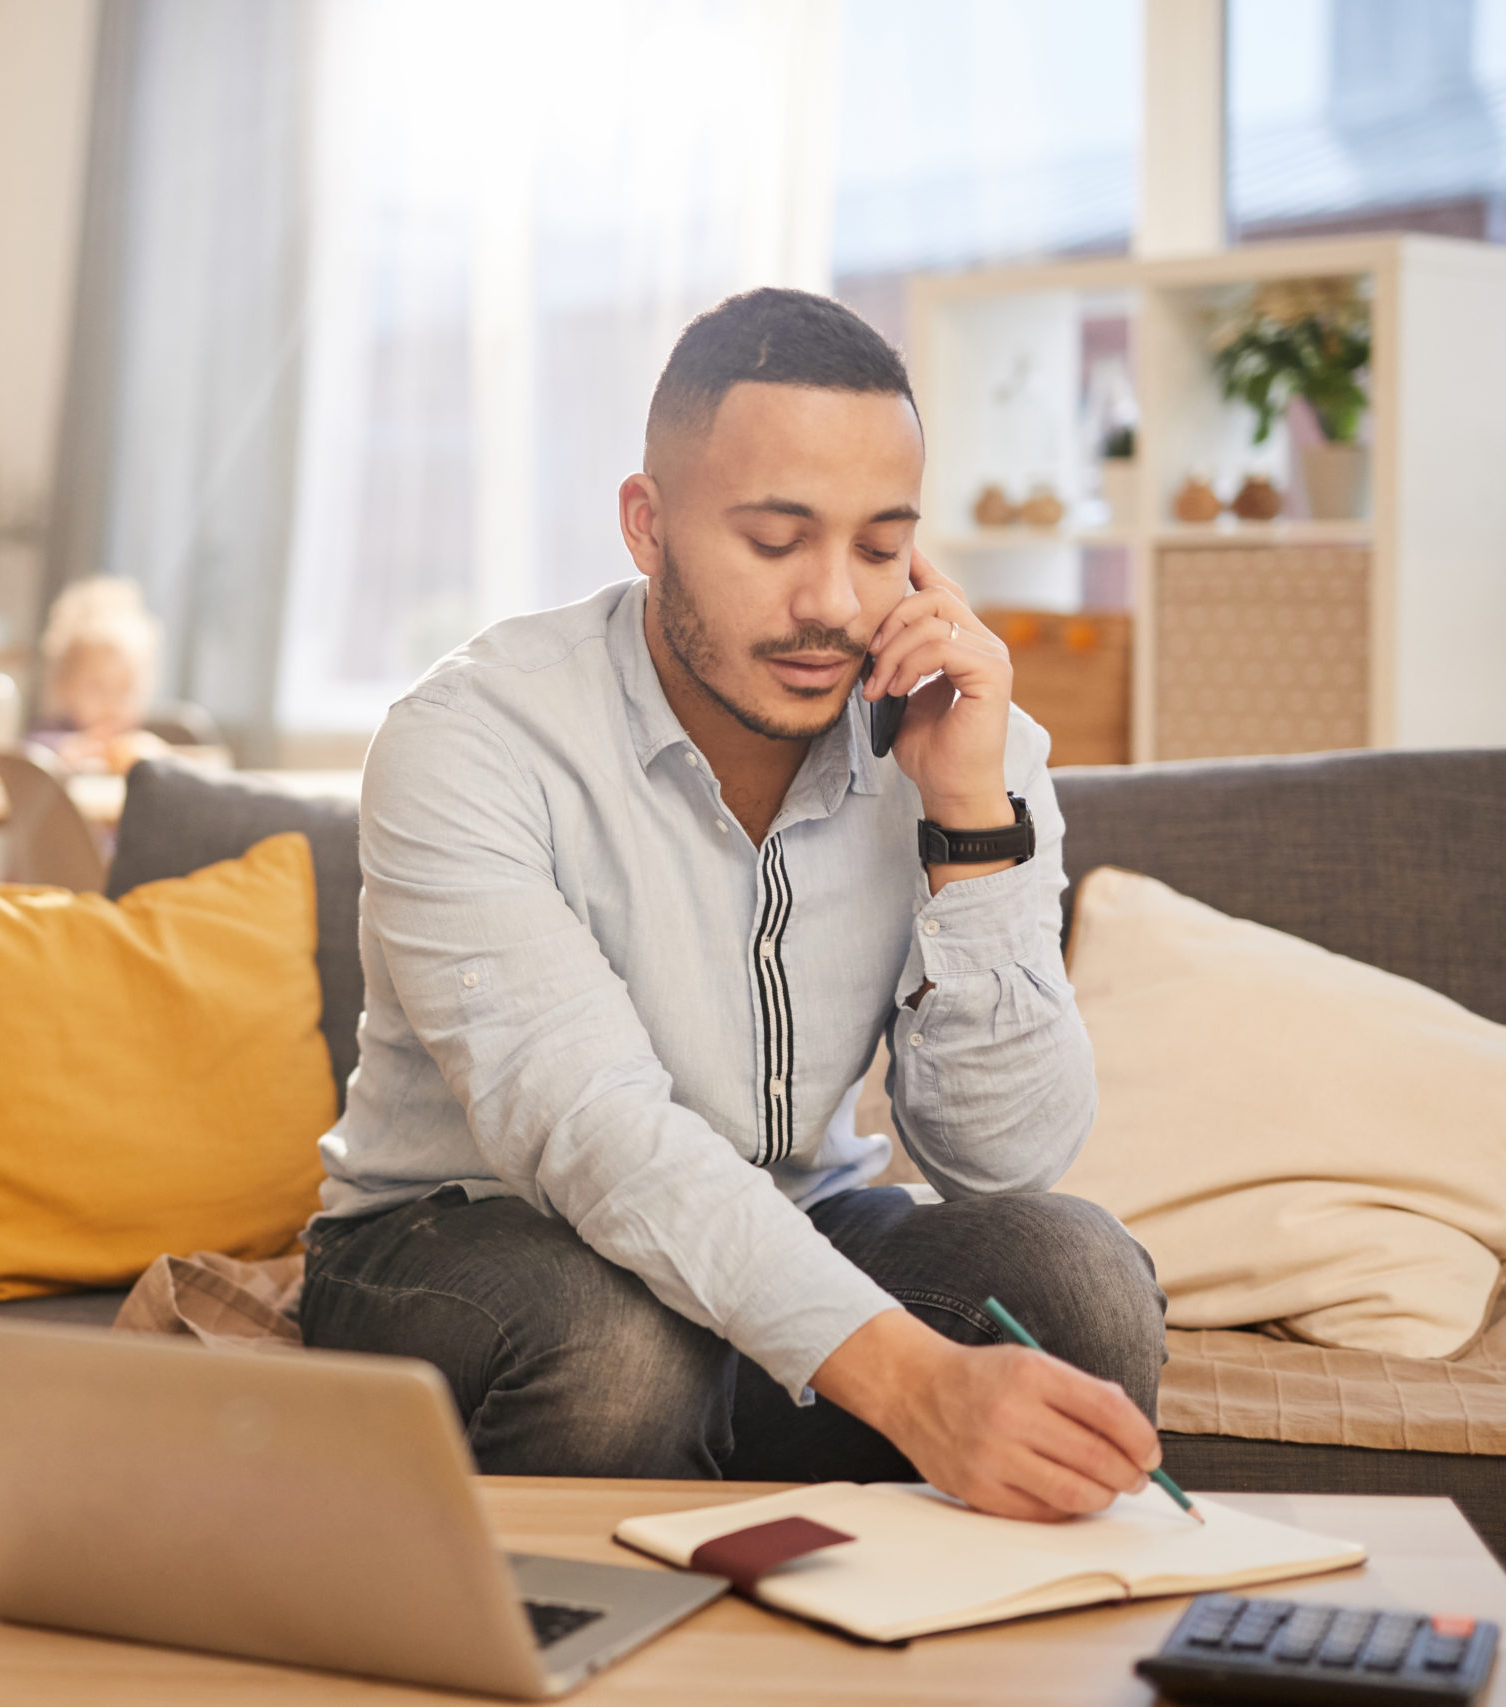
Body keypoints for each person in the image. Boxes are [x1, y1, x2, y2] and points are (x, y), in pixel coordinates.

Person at [301, 288, 1168, 1523]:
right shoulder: (471, 741)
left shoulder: (971, 746)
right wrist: (917, 1386)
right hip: (464, 1251)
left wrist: (968, 824)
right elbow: (596, 1137)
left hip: (789, 1226)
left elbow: (1007, 1160)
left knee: (1075, 1281)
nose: (833, 603)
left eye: (879, 549)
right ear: (646, 526)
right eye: (775, 542)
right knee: (616, 1352)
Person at [32, 576, 173, 774]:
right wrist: (72, 749)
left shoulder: (137, 745)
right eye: (97, 688)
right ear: (65, 687)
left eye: (125, 689)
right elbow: (28, 756)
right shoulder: (51, 735)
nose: (112, 703)